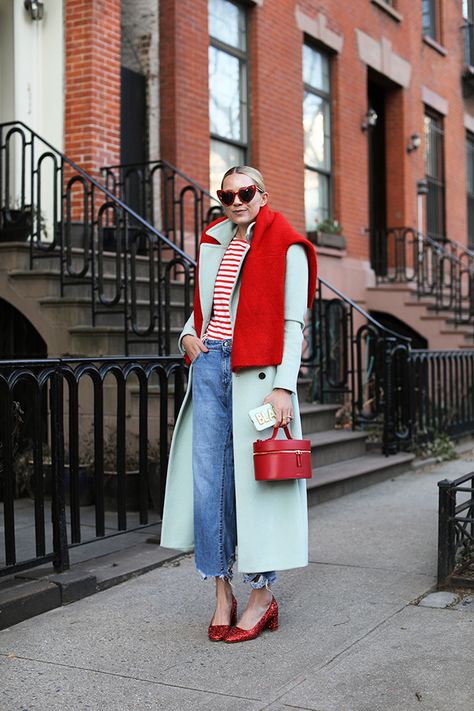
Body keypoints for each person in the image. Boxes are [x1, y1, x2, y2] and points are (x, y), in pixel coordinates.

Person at [160, 165, 317, 643]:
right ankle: (221, 593)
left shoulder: (287, 246)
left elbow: (294, 324)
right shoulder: (214, 240)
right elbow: (209, 305)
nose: (236, 201)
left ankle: (262, 596)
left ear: (263, 195)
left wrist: (284, 386)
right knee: (209, 483)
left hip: (259, 375)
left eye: (245, 192)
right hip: (211, 367)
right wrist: (188, 335)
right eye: (227, 195)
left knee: (256, 487)